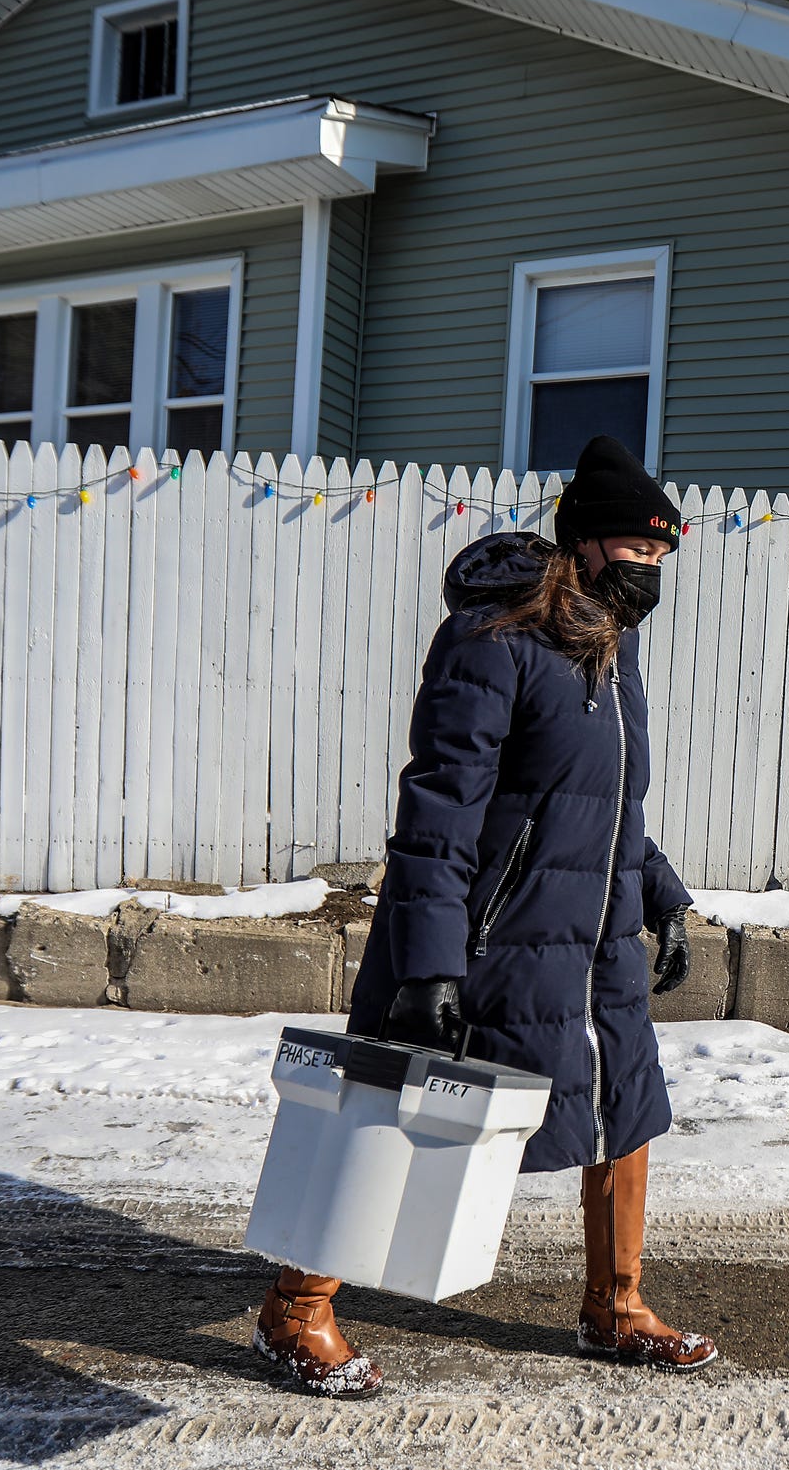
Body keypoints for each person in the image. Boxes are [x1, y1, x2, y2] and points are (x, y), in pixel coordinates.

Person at [250, 435, 715, 1397]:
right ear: (584, 544)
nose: (653, 573)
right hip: (493, 939)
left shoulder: (614, 656)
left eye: (664, 557)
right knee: (396, 1110)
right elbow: (440, 807)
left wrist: (662, 891)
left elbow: (602, 803)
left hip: (593, 941)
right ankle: (296, 1309)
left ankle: (615, 1308)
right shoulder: (495, 638)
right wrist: (428, 964)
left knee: (624, 1110)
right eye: (640, 552)